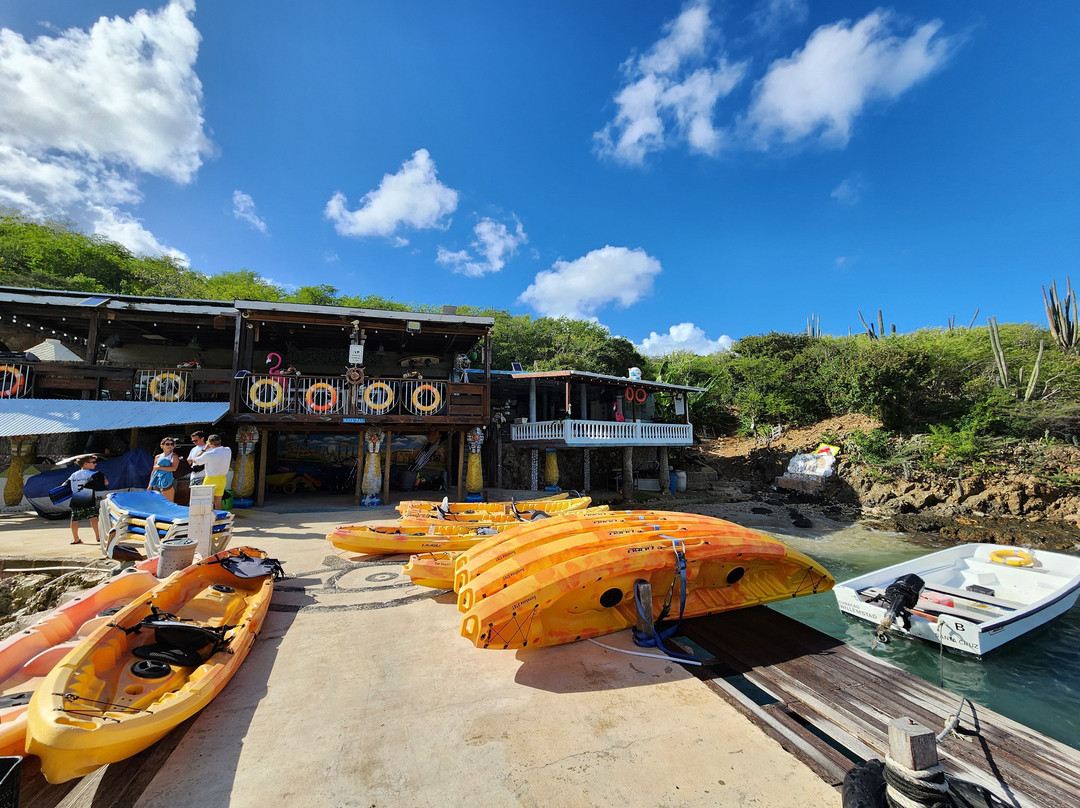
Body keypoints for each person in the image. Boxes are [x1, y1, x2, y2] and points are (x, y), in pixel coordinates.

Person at [67, 455, 107, 544]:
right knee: (93, 519)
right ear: (85, 464)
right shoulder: (92, 474)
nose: (95, 464)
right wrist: (101, 476)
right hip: (88, 499)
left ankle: (75, 538)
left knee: (74, 520)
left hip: (76, 499)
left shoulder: (74, 474)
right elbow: (105, 483)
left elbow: (64, 485)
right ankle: (98, 537)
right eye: (93, 462)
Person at [199, 434, 233, 510]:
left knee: (205, 502)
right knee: (218, 502)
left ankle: (206, 519)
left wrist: (204, 449)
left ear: (210, 443)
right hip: (222, 479)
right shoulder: (228, 450)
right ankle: (218, 519)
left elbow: (196, 460)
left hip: (211, 479)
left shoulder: (208, 454)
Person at [147, 437, 180, 502]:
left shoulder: (174, 456)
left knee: (168, 502)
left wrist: (159, 467)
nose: (170, 446)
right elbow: (154, 471)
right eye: (167, 444)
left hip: (168, 481)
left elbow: (174, 468)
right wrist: (150, 484)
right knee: (157, 502)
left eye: (172, 444)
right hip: (157, 480)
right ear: (162, 446)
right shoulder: (158, 457)